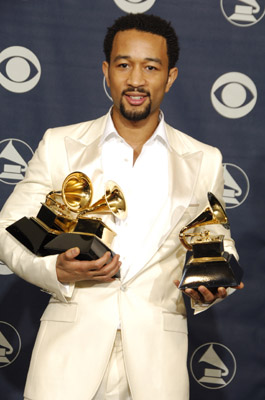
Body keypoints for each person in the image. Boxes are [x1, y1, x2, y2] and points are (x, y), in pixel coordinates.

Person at [0, 13, 243, 400]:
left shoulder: (204, 159)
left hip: (157, 368)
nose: (135, 80)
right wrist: (55, 269)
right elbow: (7, 229)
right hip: (66, 363)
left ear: (170, 76)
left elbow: (215, 244)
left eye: (151, 67)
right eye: (123, 64)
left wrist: (214, 285)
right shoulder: (60, 144)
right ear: (106, 71)